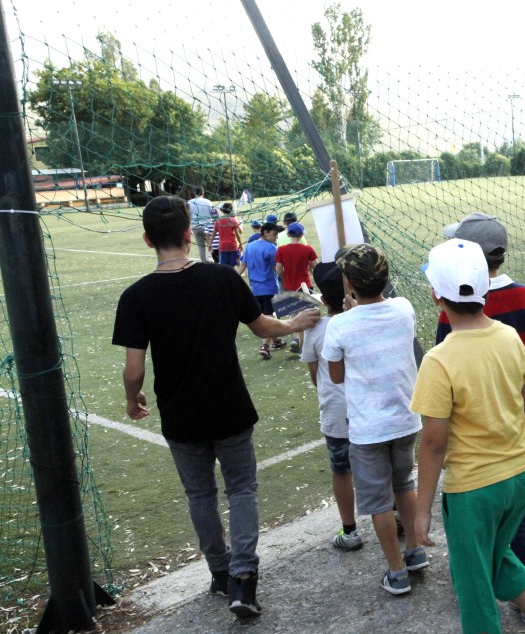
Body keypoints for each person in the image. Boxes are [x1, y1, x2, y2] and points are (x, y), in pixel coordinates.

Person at [112, 195, 320, 618]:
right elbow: (263, 326)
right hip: (230, 407)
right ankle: (243, 579)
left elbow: (134, 368)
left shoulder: (136, 296)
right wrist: (295, 324)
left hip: (180, 415)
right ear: (190, 234)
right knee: (242, 489)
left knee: (200, 495)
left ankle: (220, 573)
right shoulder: (222, 279)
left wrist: (132, 398)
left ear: (147, 238)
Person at [411, 238, 525, 634]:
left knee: (473, 585)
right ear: (486, 285)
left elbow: (433, 445)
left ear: (436, 296)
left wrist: (420, 509)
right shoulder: (507, 337)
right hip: (518, 476)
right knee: (496, 557)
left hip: (474, 490)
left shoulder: (439, 360)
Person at [435, 212, 525, 626]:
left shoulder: (453, 309)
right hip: (518, 422)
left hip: (476, 444)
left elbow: (447, 371)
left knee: (481, 540)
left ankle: (481, 587)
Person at [320, 244, 428, 596]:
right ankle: (415, 552)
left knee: (379, 500)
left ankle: (396, 571)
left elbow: (336, 376)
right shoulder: (403, 308)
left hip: (368, 428)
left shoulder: (340, 325)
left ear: (349, 283)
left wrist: (350, 316)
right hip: (406, 419)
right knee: (404, 484)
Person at [301, 262, 362, 551]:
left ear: (322, 299)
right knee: (381, 465)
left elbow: (316, 378)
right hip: (369, 411)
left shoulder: (314, 331)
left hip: (337, 415)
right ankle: (395, 514)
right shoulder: (363, 320)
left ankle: (349, 530)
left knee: (342, 470)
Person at [237, 221, 287, 359]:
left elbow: (242, 266)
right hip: (269, 287)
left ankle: (276, 340)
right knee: (269, 316)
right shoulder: (271, 248)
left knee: (266, 314)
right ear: (266, 233)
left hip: (255, 288)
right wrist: (285, 278)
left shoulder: (250, 246)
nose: (276, 237)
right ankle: (265, 345)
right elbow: (276, 268)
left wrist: (233, 279)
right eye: (275, 234)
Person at [275, 221, 318, 354]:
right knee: (305, 313)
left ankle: (294, 339)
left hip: (289, 285)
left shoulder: (281, 250)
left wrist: (285, 276)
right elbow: (315, 266)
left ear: (288, 234)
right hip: (305, 285)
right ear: (300, 236)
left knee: (293, 313)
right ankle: (303, 347)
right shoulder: (308, 249)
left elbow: (278, 270)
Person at [211, 202, 243, 268]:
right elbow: (237, 234)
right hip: (232, 245)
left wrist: (210, 244)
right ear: (231, 210)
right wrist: (240, 244)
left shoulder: (218, 221)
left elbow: (213, 234)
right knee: (232, 266)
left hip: (223, 246)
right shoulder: (233, 220)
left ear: (222, 210)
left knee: (224, 266)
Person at [187, 187, 214, 263]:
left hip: (196, 227)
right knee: (211, 245)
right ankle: (214, 260)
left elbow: (188, 216)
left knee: (201, 247)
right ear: (203, 192)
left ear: (195, 193)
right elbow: (213, 214)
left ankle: (205, 264)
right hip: (207, 227)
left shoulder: (190, 202)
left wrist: (189, 227)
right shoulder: (208, 202)